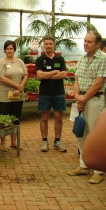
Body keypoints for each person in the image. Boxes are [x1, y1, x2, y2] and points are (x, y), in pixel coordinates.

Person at [67, 31, 106, 184]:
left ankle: (98, 170)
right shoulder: (82, 58)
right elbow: (77, 78)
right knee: (81, 131)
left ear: (98, 44)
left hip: (94, 100)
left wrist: (84, 97)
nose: (85, 44)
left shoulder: (103, 59)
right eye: (84, 41)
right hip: (81, 99)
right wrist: (77, 95)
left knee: (94, 133)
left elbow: (99, 83)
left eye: (89, 42)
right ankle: (84, 165)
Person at [35, 36, 67, 153]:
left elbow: (63, 74)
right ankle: (44, 141)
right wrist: (54, 72)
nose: (48, 46)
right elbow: (40, 76)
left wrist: (47, 74)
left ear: (54, 45)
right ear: (43, 45)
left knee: (58, 118)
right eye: (46, 44)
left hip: (58, 93)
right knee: (44, 117)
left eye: (50, 44)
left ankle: (57, 141)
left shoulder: (60, 59)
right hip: (45, 93)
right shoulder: (40, 60)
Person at [0, 40, 28, 151]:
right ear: (5, 50)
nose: (9, 50)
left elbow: (25, 75)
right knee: (4, 119)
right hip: (5, 96)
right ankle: (3, 143)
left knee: (16, 119)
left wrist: (21, 87)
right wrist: (17, 86)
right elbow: (2, 78)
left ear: (14, 50)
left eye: (11, 48)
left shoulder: (19, 62)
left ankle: (14, 142)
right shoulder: (1, 62)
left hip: (18, 95)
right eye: (7, 48)